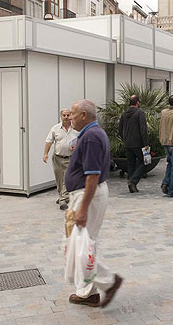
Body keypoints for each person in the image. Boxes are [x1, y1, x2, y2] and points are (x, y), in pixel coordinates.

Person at [65, 99, 123, 308]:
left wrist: (82, 209)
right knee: (82, 243)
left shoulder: (90, 137)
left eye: (72, 113)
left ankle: (106, 282)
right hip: (85, 193)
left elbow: (92, 175)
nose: (69, 117)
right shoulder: (92, 134)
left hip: (86, 195)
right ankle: (88, 290)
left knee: (81, 245)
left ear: (83, 115)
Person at [43, 109, 78, 210]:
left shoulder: (76, 128)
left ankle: (63, 200)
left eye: (68, 115)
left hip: (70, 158)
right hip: (57, 158)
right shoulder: (55, 128)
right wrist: (45, 154)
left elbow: (81, 140)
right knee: (59, 179)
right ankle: (61, 195)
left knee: (66, 179)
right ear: (61, 116)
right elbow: (48, 141)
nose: (66, 117)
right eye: (64, 115)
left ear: (71, 116)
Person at [118, 95, 149, 193]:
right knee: (143, 162)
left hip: (127, 143)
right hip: (138, 143)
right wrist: (146, 143)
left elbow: (120, 129)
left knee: (131, 163)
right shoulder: (140, 113)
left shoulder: (124, 114)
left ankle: (130, 183)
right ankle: (133, 181)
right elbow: (143, 129)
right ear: (137, 103)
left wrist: (124, 139)